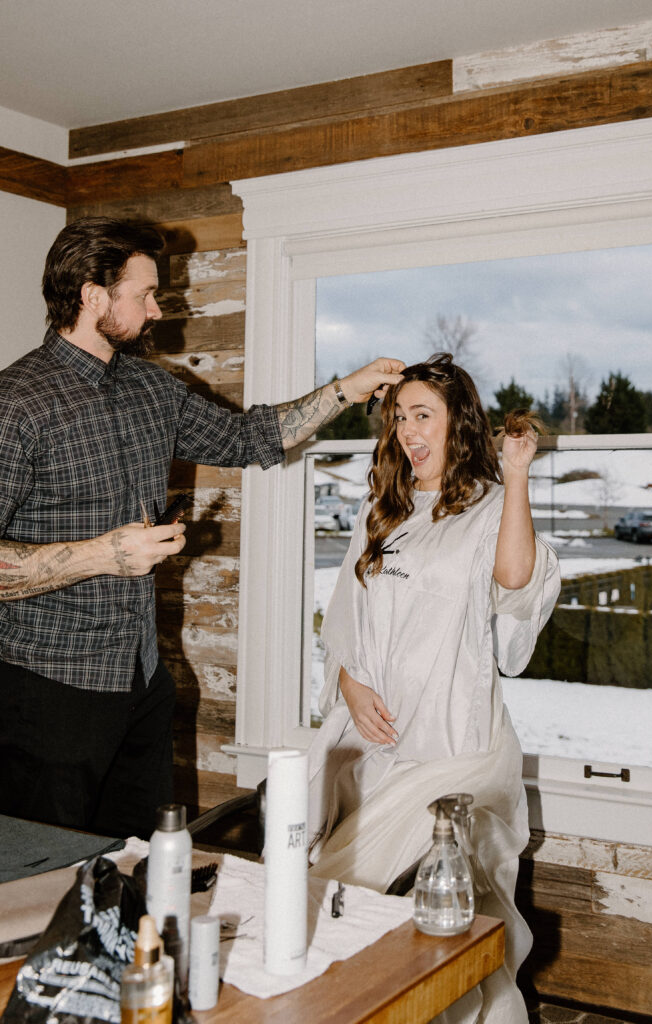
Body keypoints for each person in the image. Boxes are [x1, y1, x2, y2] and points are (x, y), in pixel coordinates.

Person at [0, 216, 405, 840]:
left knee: (139, 871)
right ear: (92, 295)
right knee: (40, 883)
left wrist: (346, 391)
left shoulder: (152, 389)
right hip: (44, 691)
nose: (157, 309)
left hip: (141, 682)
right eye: (143, 294)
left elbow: (251, 437)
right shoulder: (15, 403)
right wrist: (102, 554)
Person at [307, 354, 560, 1023]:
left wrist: (514, 477)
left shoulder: (485, 510)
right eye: (398, 416)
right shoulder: (380, 512)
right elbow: (344, 619)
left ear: (459, 425)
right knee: (349, 913)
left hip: (451, 747)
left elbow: (514, 583)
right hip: (374, 747)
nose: (407, 429)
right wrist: (349, 684)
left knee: (437, 925)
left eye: (423, 415)